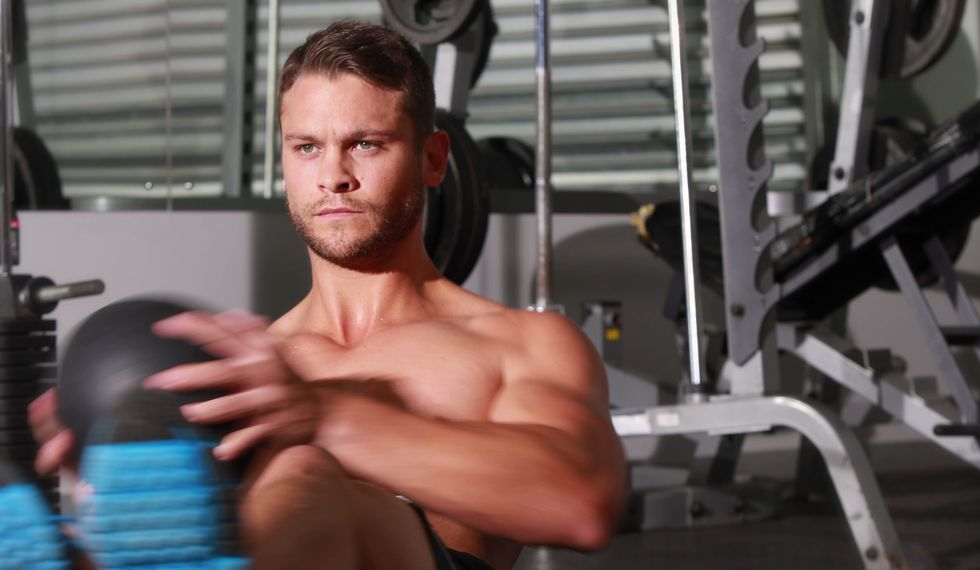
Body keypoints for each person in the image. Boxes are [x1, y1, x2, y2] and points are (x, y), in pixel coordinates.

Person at [28, 19, 627, 570]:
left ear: (433, 160)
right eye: (307, 147)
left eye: (365, 143)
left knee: (313, 476)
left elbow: (581, 504)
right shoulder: (247, 365)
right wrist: (99, 478)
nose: (333, 175)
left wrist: (324, 416)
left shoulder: (520, 344)